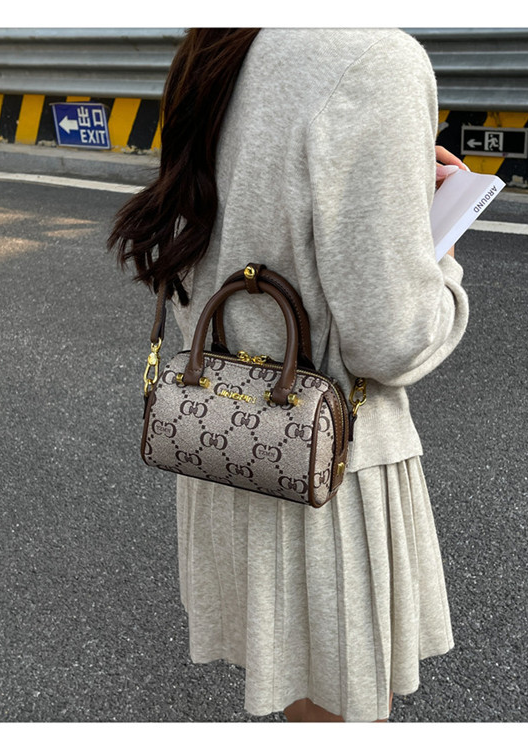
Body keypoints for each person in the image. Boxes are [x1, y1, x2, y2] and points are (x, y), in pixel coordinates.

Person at [108, 28, 470, 723]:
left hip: (224, 435)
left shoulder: (221, 42)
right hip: (327, 468)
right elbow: (392, 341)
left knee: (307, 704)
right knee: (343, 709)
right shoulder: (377, 59)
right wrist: (441, 253)